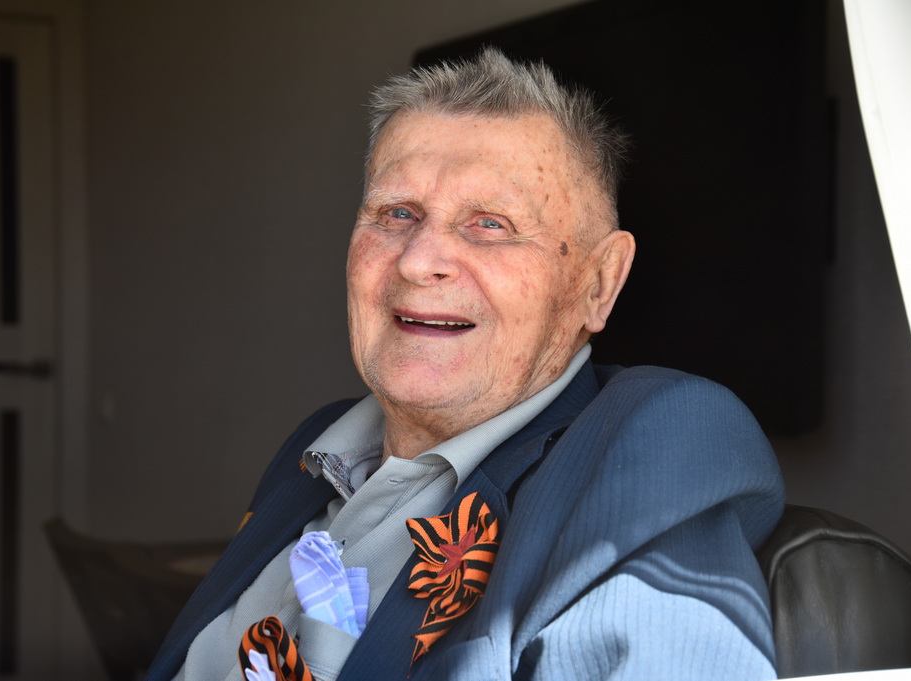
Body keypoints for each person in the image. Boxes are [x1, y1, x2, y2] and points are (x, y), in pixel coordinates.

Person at [145, 48, 784, 681]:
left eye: (489, 224)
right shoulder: (315, 447)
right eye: (398, 213)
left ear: (598, 282)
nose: (418, 260)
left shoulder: (648, 443)